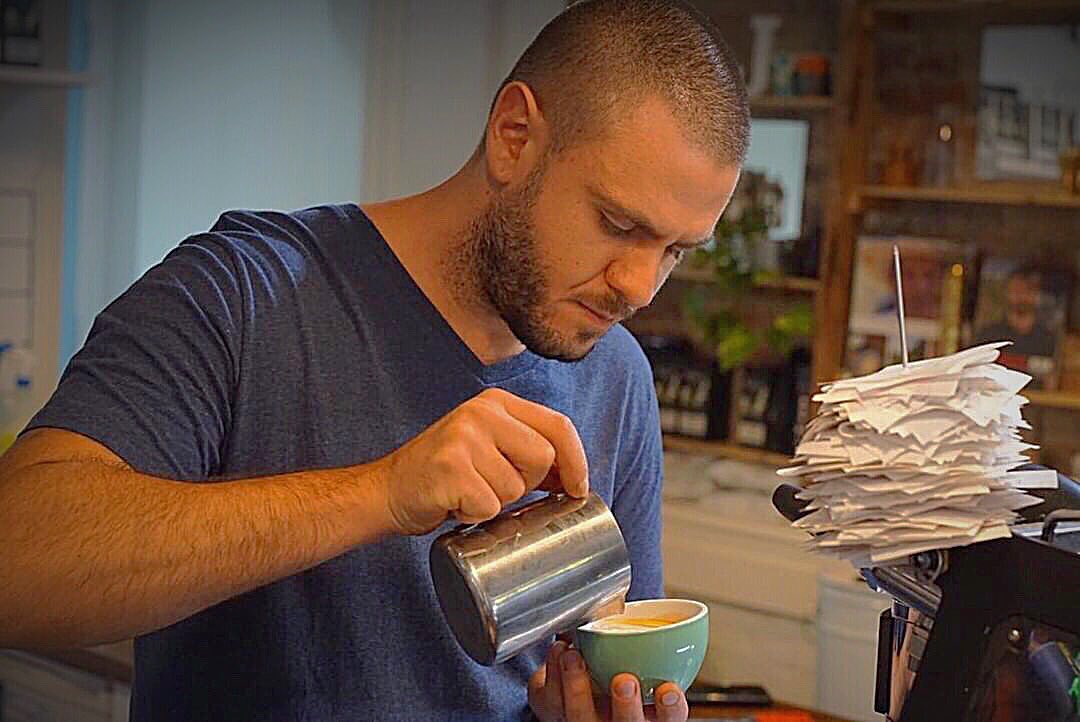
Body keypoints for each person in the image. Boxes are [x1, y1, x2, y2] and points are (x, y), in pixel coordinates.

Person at [0, 0, 747, 719]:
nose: (639, 288)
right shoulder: (239, 295)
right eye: (617, 224)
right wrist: (380, 493)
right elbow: (18, 566)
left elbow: (608, 658)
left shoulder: (616, 376)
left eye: (675, 251)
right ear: (514, 136)